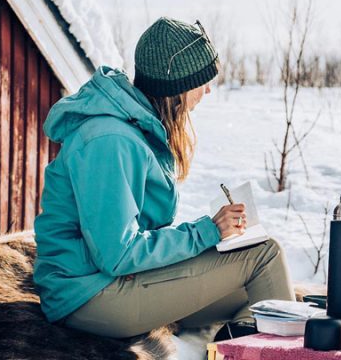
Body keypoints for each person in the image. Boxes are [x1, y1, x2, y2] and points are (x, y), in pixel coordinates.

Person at [32, 17, 294, 341]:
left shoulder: (133, 127)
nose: (208, 89)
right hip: (88, 295)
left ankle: (239, 345)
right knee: (264, 256)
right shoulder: (109, 140)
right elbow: (118, 254)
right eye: (202, 81)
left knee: (255, 290)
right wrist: (206, 232)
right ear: (176, 86)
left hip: (109, 282)